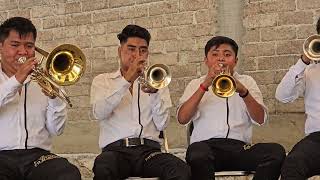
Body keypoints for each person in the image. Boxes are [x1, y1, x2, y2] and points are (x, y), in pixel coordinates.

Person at [177, 35, 286, 180]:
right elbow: (182, 118)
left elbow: (260, 119)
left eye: (227, 55)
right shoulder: (195, 84)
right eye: (215, 54)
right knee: (196, 153)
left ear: (235, 61)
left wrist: (243, 91)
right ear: (206, 60)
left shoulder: (247, 81)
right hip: (207, 148)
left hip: (240, 148)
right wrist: (205, 85)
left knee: (276, 152)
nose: (221, 59)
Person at [90, 24, 191, 180]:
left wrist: (155, 94)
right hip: (116, 152)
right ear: (119, 51)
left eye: (142, 50)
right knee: (104, 166)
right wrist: (127, 79)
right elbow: (99, 113)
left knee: (179, 169)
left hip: (149, 152)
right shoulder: (103, 81)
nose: (137, 55)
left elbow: (162, 124)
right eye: (131, 49)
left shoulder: (158, 80)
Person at [0, 17, 81, 180]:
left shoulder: (46, 80)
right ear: (0, 47)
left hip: (38, 157)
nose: (23, 52)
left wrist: (55, 99)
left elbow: (56, 130)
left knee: (68, 174)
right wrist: (17, 79)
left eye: (29, 46)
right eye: (15, 45)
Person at [275, 17, 320, 179]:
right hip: (317, 140)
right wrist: (303, 62)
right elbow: (282, 96)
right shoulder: (309, 71)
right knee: (293, 163)